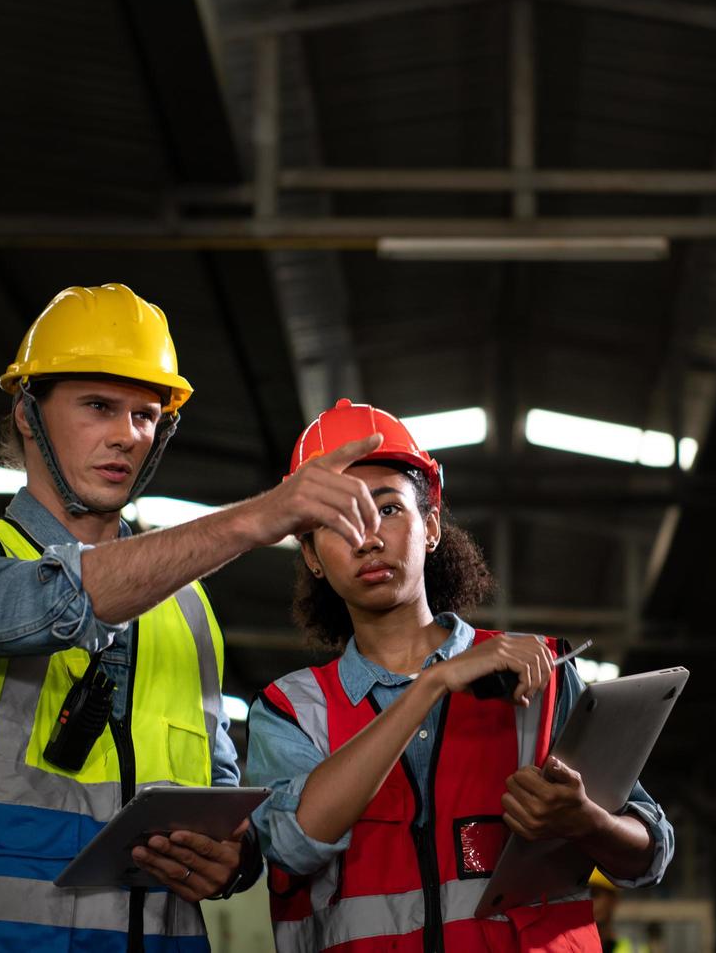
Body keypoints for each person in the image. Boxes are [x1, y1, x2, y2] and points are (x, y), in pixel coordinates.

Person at [0, 286, 388, 952]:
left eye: (146, 417)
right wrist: (257, 518)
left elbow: (222, 801)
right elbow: (49, 603)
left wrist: (234, 862)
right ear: (28, 413)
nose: (126, 435)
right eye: (98, 407)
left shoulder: (189, 611)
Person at [241, 398, 675, 951]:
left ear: (431, 526)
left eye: (389, 509)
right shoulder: (292, 710)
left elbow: (651, 849)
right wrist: (432, 683)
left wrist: (586, 820)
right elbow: (289, 846)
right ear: (312, 557)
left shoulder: (542, 673)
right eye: (335, 521)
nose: (368, 538)